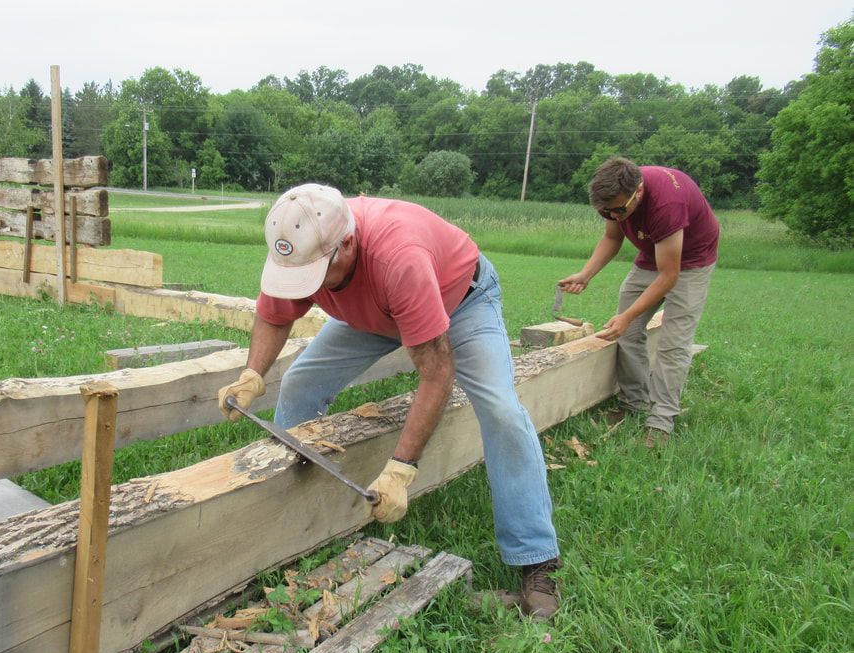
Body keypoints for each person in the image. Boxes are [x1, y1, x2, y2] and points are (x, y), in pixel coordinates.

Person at [217, 184, 562, 620]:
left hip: (461, 302)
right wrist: (252, 374)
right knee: (301, 383)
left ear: (347, 244)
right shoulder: (304, 244)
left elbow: (436, 373)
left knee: (501, 411)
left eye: (317, 273)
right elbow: (272, 314)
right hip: (372, 311)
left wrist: (400, 470)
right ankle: (298, 515)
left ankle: (536, 560)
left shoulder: (398, 258)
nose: (308, 286)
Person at [559, 157, 719, 448]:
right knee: (628, 334)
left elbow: (669, 276)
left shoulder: (666, 205)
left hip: (691, 262)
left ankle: (661, 421)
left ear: (640, 191)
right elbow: (612, 237)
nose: (615, 216)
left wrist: (628, 315)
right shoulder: (614, 200)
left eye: (620, 209)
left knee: (673, 343)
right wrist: (586, 274)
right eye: (606, 211)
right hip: (650, 256)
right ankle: (635, 404)